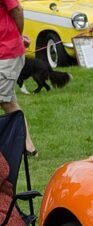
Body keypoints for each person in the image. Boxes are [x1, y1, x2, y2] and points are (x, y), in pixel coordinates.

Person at [0, 0, 33, 155]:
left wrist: (17, 35)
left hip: (6, 53)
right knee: (9, 104)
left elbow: (17, 9)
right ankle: (28, 147)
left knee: (5, 101)